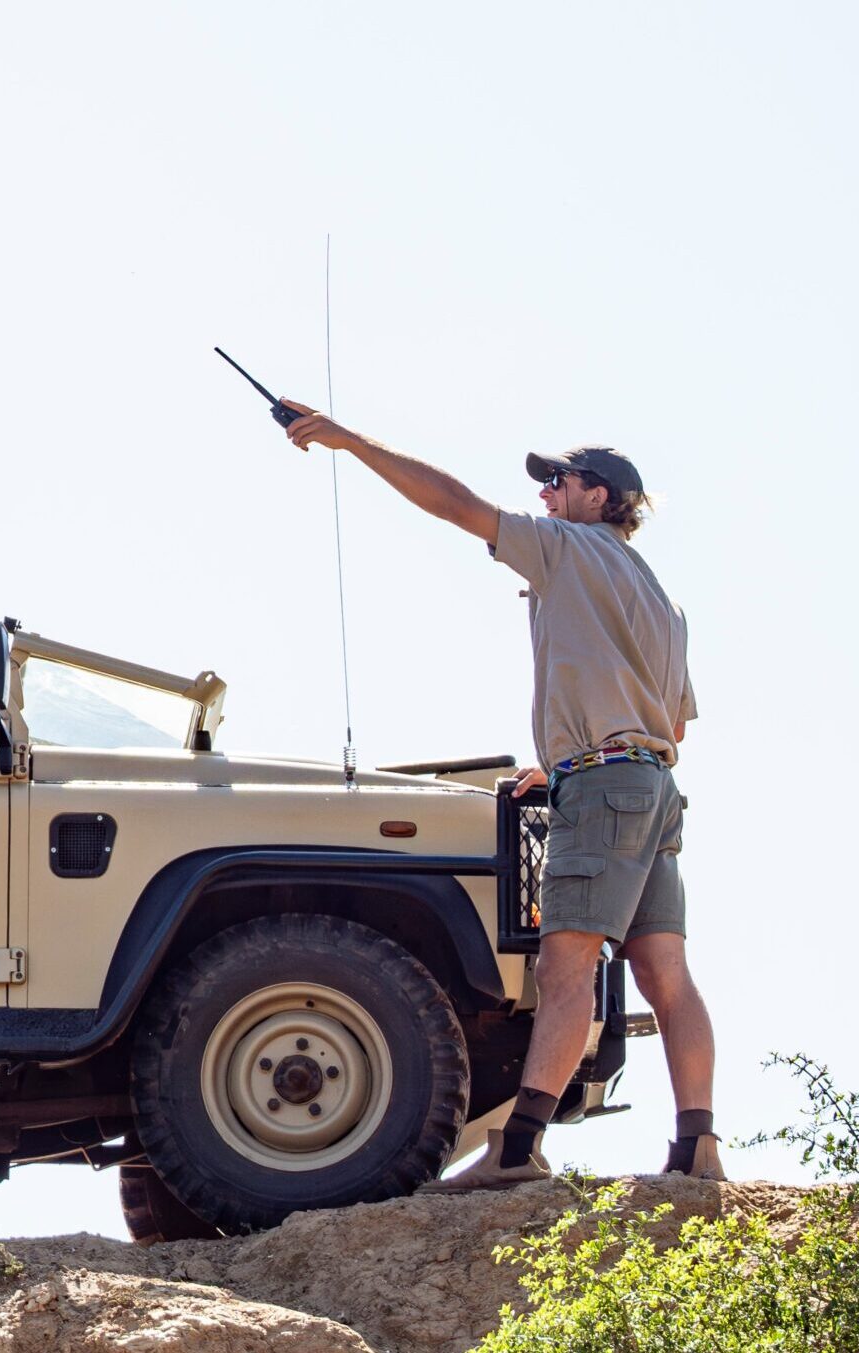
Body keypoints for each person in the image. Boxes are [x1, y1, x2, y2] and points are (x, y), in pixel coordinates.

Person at [279, 406, 718, 1187]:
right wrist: (576, 758)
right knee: (667, 972)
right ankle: (699, 1149)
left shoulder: (567, 550)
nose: (546, 494)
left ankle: (517, 1150)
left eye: (560, 480)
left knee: (564, 967)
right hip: (653, 786)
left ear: (600, 497)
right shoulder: (663, 598)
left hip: (606, 788)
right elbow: (669, 724)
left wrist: (348, 440)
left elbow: (454, 504)